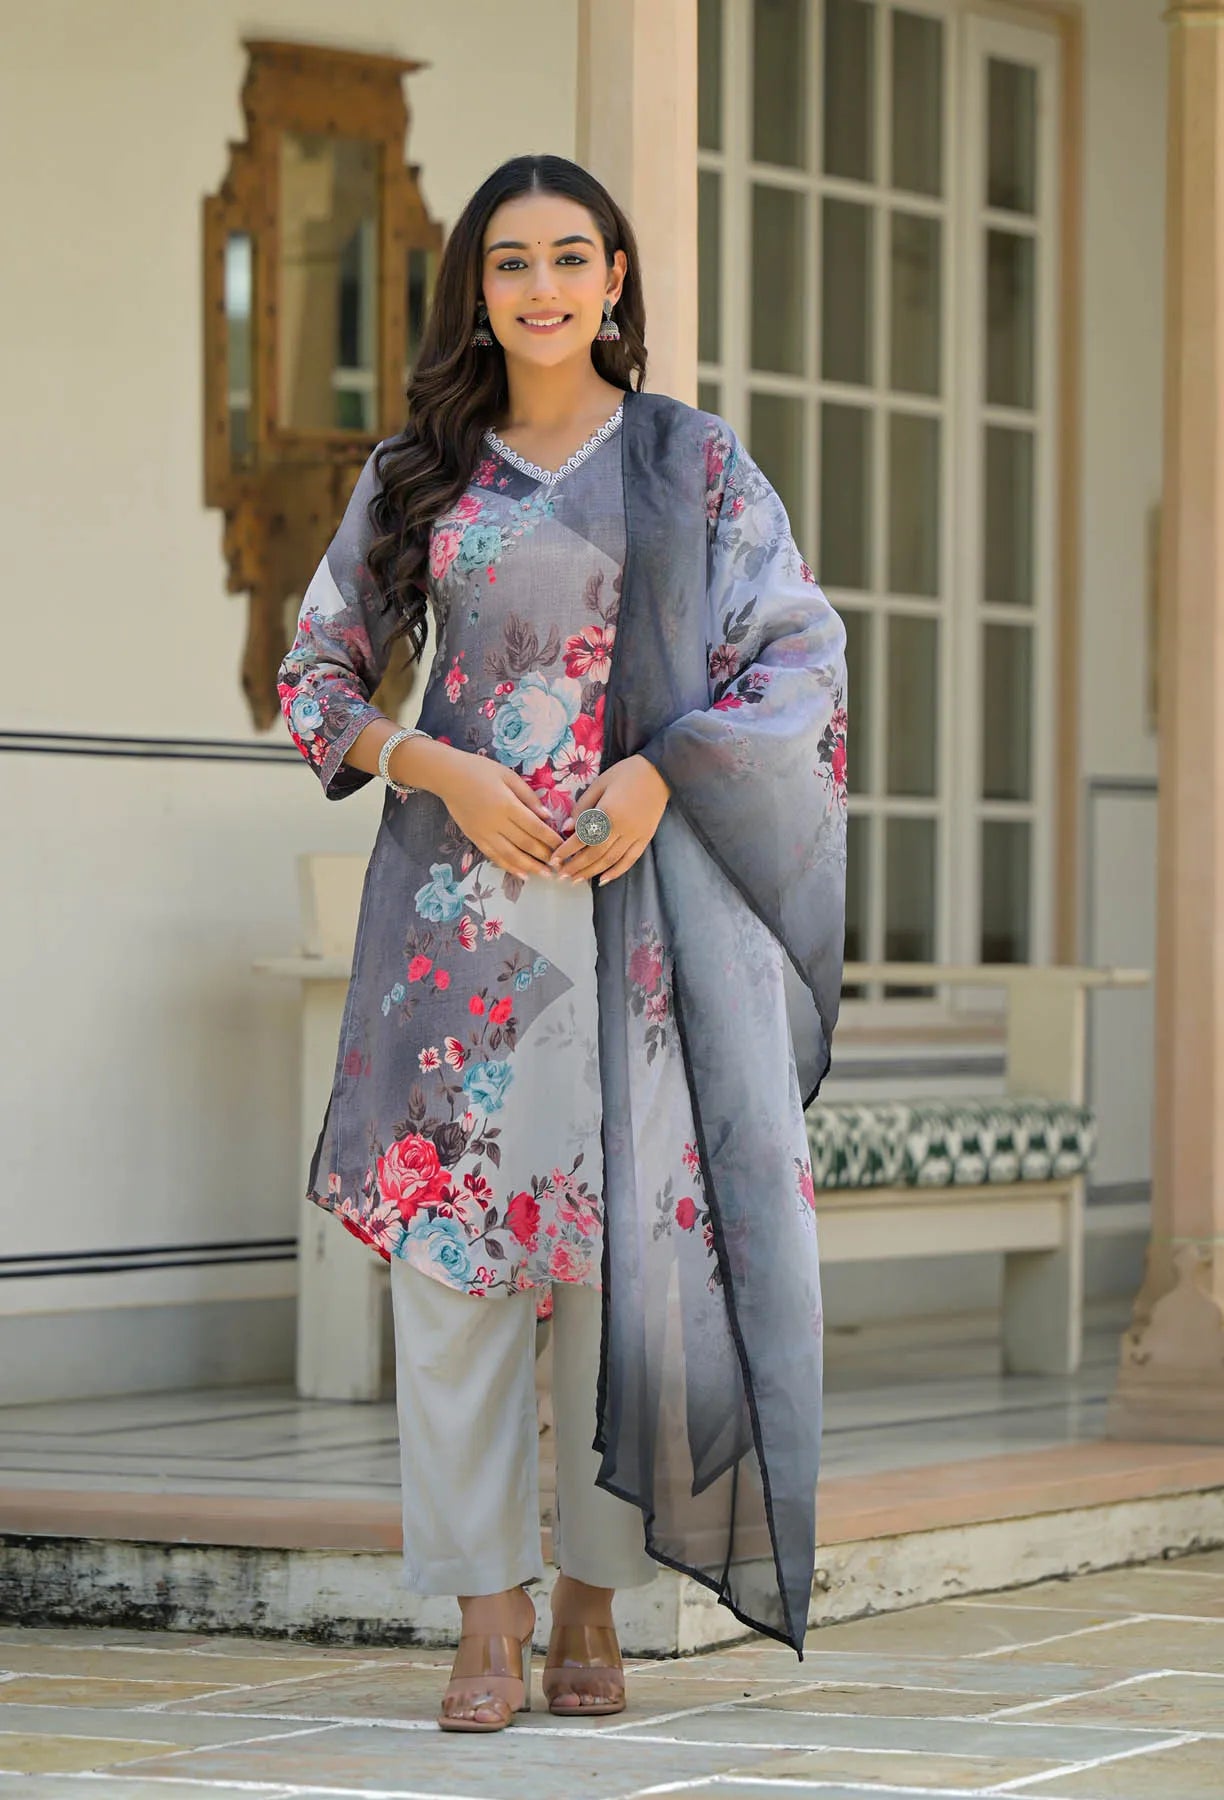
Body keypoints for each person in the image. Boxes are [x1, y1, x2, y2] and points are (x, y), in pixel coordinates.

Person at [278, 153, 848, 1733]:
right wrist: (433, 759)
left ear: (615, 281)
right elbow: (316, 671)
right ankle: (485, 1609)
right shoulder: (415, 473)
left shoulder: (694, 465)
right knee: (459, 1272)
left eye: (570, 258)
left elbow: (798, 655)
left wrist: (667, 771)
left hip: (644, 925)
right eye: (510, 261)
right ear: (479, 286)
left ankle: (594, 1592)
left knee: (622, 1268)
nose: (539, 286)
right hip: (462, 937)